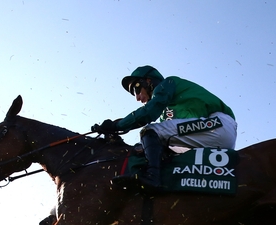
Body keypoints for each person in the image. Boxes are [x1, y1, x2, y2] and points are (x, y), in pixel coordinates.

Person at [93, 65, 237, 190]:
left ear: (148, 81)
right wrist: (113, 137)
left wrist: (117, 125)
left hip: (217, 125)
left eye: (136, 90)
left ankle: (152, 178)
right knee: (149, 148)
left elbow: (149, 112)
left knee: (150, 130)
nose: (137, 98)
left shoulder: (167, 83)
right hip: (207, 138)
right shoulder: (166, 117)